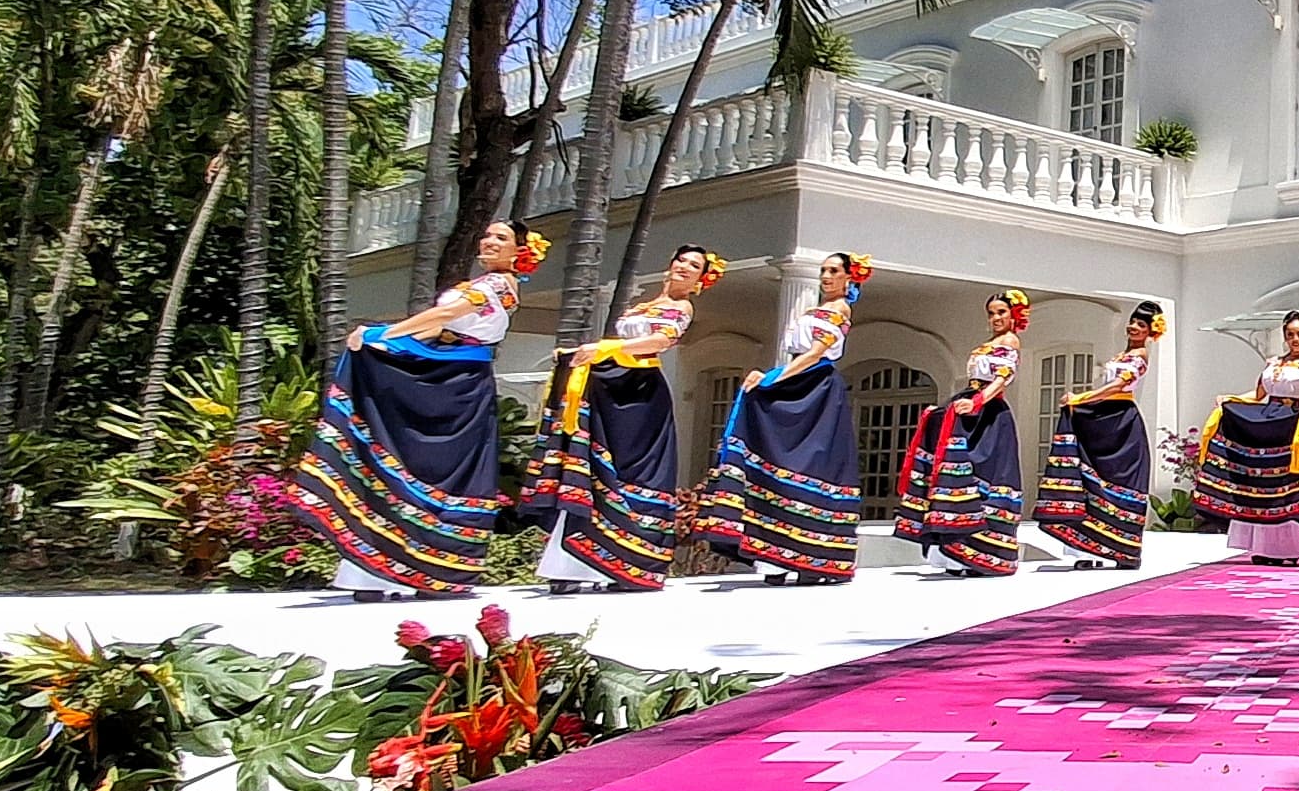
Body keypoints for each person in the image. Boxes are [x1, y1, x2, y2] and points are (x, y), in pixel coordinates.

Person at [292, 219, 533, 599]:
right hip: (443, 372)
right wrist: (383, 345)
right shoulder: (479, 285)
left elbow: (441, 318)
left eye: (500, 238)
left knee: (435, 469)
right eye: (486, 234)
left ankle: (429, 567)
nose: (488, 241)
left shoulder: (497, 286)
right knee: (410, 459)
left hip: (457, 384)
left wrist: (381, 334)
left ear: (518, 251)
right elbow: (434, 331)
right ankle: (382, 566)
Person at [530, 243, 716, 592]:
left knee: (629, 469)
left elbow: (660, 342)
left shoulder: (682, 308)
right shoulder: (646, 304)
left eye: (695, 266)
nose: (686, 267)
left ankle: (626, 561)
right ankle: (573, 564)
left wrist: (604, 348)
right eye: (682, 260)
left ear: (699, 280)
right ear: (671, 264)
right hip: (611, 384)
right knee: (595, 465)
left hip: (640, 393)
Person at [698, 251, 867, 584]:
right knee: (775, 456)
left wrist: (774, 379)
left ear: (849, 277)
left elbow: (817, 352)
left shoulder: (841, 310)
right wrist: (772, 377)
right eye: (823, 271)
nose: (826, 277)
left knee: (808, 463)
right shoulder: (815, 310)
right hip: (797, 379)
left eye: (834, 271)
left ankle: (811, 555)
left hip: (814, 386)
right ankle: (775, 552)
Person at [895, 289, 1029, 576]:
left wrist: (977, 402)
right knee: (954, 469)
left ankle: (981, 550)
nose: (995, 318)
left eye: (1001, 312)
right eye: (992, 313)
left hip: (989, 414)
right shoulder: (990, 343)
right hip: (972, 406)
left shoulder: (1010, 341)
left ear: (1014, 315)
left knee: (981, 473)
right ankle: (954, 545)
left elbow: (1001, 380)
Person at [1193, 310, 1299, 563]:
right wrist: (1231, 399)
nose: (1295, 339)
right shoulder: (1273, 363)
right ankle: (1264, 548)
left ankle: (1288, 551)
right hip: (1268, 421)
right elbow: (1257, 395)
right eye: (1290, 334)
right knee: (1261, 484)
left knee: (1286, 487)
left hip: (1290, 423)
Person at [1037, 302, 1167, 571]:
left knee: (1113, 480)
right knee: (1088, 477)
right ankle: (1085, 545)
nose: (1133, 327)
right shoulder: (1123, 354)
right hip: (1102, 417)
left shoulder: (1139, 357)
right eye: (1133, 322)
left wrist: (1081, 398)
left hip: (1120, 421)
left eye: (1141, 325)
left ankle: (1115, 547)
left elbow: (1117, 387)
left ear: (1149, 332)